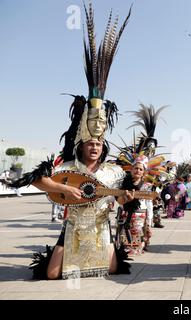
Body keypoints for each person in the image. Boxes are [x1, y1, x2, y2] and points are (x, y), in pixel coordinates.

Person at [12, 3, 133, 280]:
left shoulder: (113, 171)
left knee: (114, 269)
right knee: (53, 274)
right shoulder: (67, 165)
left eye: (99, 144)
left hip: (102, 226)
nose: (95, 146)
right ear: (81, 144)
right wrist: (62, 189)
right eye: (90, 142)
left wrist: (127, 199)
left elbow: (127, 196)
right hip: (74, 225)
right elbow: (35, 179)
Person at [116, 156, 153, 255]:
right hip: (125, 214)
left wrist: (149, 221)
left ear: (144, 172)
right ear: (131, 169)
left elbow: (149, 204)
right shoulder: (122, 184)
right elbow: (118, 200)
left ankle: (136, 250)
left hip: (140, 215)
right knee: (124, 234)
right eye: (136, 168)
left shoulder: (147, 186)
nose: (138, 171)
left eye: (141, 169)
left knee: (137, 233)